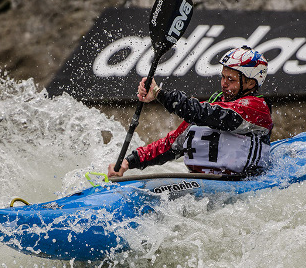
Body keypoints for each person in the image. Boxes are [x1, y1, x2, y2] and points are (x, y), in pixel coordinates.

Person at [107, 45, 273, 179]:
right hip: (200, 185)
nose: (224, 83)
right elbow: (169, 144)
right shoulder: (210, 107)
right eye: (223, 77)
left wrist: (160, 94)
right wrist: (129, 162)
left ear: (251, 84)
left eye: (231, 80)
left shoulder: (256, 108)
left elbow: (212, 115)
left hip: (244, 184)